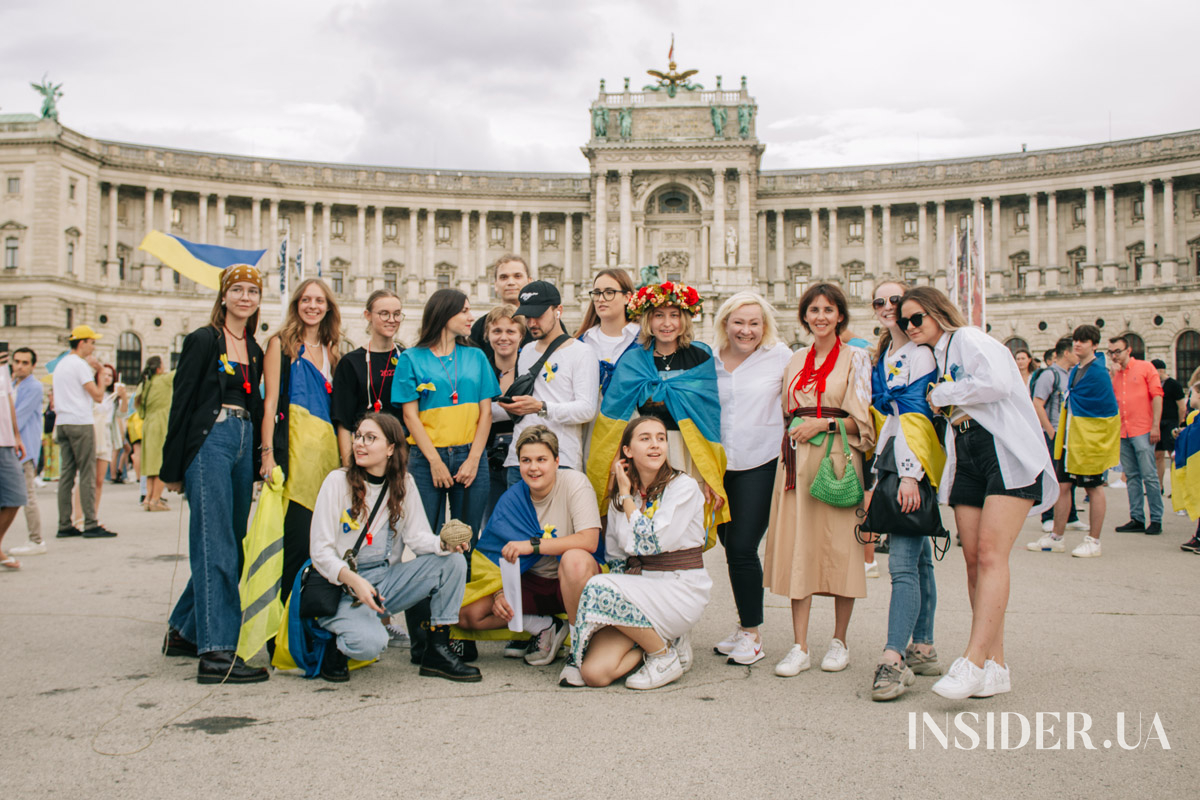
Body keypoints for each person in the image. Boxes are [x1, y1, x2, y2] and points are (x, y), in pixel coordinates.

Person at [900, 286, 1058, 699]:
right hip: (966, 448)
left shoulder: (968, 338)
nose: (911, 326)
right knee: (972, 562)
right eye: (905, 321)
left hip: (1000, 448)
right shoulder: (934, 356)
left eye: (917, 318)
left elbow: (998, 383)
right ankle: (996, 665)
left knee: (990, 555)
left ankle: (971, 660)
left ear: (938, 313)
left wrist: (941, 394)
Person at [309, 413, 480, 683]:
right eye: (358, 436)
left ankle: (437, 650)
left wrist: (444, 543)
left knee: (453, 562)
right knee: (371, 646)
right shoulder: (336, 482)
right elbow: (319, 552)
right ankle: (335, 643)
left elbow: (418, 537)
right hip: (341, 588)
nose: (360, 444)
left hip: (383, 583)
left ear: (391, 448)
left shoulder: (403, 484)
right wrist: (353, 579)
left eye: (370, 438)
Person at [161, 264, 268, 684]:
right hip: (211, 439)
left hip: (242, 440)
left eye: (252, 292)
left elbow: (258, 405)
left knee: (232, 543)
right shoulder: (203, 340)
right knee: (215, 544)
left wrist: (262, 454)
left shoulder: (254, 349)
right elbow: (182, 402)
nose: (245, 297)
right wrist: (172, 468)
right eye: (237, 290)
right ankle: (217, 652)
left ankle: (185, 631)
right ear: (223, 296)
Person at [764, 282, 874, 678]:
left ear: (840, 315)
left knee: (841, 549)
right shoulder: (794, 360)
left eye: (829, 310)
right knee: (801, 548)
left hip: (838, 459)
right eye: (814, 310)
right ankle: (800, 645)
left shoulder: (857, 358)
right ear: (804, 316)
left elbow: (864, 420)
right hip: (797, 462)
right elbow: (785, 411)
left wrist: (821, 423)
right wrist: (800, 430)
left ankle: (839, 640)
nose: (821, 317)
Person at [393, 289, 498, 658]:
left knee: (465, 543)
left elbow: (486, 413)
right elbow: (410, 416)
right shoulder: (411, 358)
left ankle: (457, 633)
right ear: (444, 314)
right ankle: (424, 638)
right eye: (465, 311)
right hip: (426, 460)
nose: (472, 317)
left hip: (470, 456)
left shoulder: (475, 357)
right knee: (424, 544)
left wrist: (473, 458)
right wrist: (435, 460)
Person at [571, 416, 711, 689]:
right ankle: (663, 641)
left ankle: (663, 656)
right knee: (594, 673)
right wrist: (624, 495)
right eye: (645, 438)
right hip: (640, 592)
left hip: (678, 588)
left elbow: (651, 543)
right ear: (628, 451)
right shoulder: (622, 497)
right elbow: (616, 557)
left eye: (660, 438)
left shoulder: (683, 487)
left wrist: (625, 497)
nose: (655, 445)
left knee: (598, 586)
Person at [456, 425, 601, 684]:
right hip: (532, 582)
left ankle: (580, 645)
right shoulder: (514, 498)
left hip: (573, 581)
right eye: (526, 461)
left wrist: (533, 545)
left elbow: (589, 540)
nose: (533, 468)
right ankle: (544, 627)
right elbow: (491, 554)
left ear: (557, 461)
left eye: (541, 460)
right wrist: (499, 591)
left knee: (574, 559)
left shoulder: (575, 483)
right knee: (468, 613)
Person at [585, 280, 729, 532]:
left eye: (674, 315)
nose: (666, 323)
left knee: (681, 525)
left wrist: (708, 473)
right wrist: (615, 461)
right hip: (643, 452)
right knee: (643, 519)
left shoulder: (701, 356)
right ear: (647, 320)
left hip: (686, 450)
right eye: (658, 316)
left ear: (685, 319)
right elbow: (619, 415)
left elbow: (708, 418)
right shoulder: (633, 359)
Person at [864, 280, 946, 701]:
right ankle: (924, 647)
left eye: (896, 301)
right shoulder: (888, 354)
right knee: (919, 562)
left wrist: (910, 473)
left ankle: (894, 657)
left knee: (900, 567)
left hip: (911, 460)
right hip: (894, 457)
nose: (888, 307)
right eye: (880, 301)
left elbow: (917, 412)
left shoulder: (921, 354)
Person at [710, 291, 791, 666]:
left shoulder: (781, 357)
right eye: (739, 322)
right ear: (725, 323)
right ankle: (744, 624)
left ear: (765, 326)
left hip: (762, 461)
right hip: (719, 465)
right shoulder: (709, 360)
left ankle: (753, 634)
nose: (746, 330)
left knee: (742, 547)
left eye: (754, 323)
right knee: (731, 547)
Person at [262, 278, 343, 600]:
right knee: (294, 540)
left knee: (322, 542)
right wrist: (267, 454)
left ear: (328, 307)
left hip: (325, 458)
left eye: (319, 300)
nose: (313, 306)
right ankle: (282, 627)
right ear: (296, 304)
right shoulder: (280, 345)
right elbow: (270, 404)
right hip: (294, 457)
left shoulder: (333, 350)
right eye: (306, 300)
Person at [1027, 325, 1120, 558]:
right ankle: (1056, 537)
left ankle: (1094, 540)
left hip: (1088, 439)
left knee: (1093, 486)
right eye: (1077, 340)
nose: (1078, 344)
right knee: (1063, 485)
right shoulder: (1077, 369)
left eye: (1084, 341)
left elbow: (1106, 409)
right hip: (1071, 438)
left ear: (1094, 345)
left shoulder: (1097, 372)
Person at [499, 280, 599, 481]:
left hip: (561, 460)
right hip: (519, 460)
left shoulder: (582, 352)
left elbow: (587, 409)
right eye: (528, 317)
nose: (532, 323)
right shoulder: (526, 350)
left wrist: (541, 407)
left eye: (538, 315)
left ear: (558, 310)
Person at [52, 325, 116, 539]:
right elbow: (98, 396)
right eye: (92, 342)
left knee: (67, 475)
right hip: (80, 422)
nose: (94, 346)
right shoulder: (79, 365)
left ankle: (64, 523)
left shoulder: (61, 364)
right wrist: (99, 371)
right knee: (87, 473)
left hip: (62, 422)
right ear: (82, 343)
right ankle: (90, 523)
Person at [331, 289, 406, 467]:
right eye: (384, 314)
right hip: (365, 452)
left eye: (397, 314)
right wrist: (349, 467)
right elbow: (344, 421)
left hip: (401, 451)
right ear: (368, 315)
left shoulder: (407, 359)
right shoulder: (350, 363)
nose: (392, 320)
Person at [1108, 336, 1165, 535]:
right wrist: (1111, 375)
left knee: (1149, 476)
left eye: (1118, 351)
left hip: (1143, 429)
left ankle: (1156, 519)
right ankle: (1137, 518)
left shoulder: (1146, 368)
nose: (1114, 356)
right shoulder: (1114, 374)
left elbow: (1157, 396)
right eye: (1111, 352)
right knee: (1131, 476)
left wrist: (1155, 425)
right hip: (1123, 430)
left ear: (1128, 350)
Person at [1030, 340, 1085, 534]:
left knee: (1067, 478)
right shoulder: (1049, 374)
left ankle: (1070, 516)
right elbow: (1037, 403)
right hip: (1053, 433)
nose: (1078, 355)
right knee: (1052, 477)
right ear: (1066, 353)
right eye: (1074, 351)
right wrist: (1052, 432)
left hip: (1068, 433)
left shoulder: (1070, 375)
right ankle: (1048, 516)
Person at [480, 304, 524, 527]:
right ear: (487, 335)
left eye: (511, 331)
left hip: (522, 458)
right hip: (488, 457)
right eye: (497, 331)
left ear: (521, 335)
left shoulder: (531, 373)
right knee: (492, 524)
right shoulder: (480, 372)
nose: (503, 337)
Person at [575, 268, 639, 395]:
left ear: (627, 297)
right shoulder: (582, 342)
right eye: (597, 293)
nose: (601, 299)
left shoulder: (644, 339)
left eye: (609, 292)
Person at [9, 348, 45, 556]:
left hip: (24, 449)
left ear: (32, 366)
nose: (20, 366)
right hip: (9, 447)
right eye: (17, 361)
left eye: (25, 362)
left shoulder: (34, 387)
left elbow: (18, 418)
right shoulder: (12, 385)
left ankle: (36, 540)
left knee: (27, 495)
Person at [469, 254, 530, 362]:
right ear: (495, 285)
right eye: (504, 277)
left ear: (529, 282)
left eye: (517, 276)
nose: (511, 282)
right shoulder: (480, 327)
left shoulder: (542, 323)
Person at [0, 349, 28, 569]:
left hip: (5, 442)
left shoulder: (3, 369)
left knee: (16, 495)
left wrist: (16, 435)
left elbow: (9, 402)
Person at [135, 356, 173, 511]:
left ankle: (148, 498)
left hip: (148, 424)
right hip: (161, 424)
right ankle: (156, 500)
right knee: (161, 463)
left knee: (150, 464)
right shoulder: (163, 380)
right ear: (158, 368)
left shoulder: (145, 384)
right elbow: (182, 370)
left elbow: (140, 411)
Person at [1152, 358, 1187, 490]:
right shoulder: (1154, 384)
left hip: (1171, 422)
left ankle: (1176, 488)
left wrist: (1178, 424)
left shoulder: (1174, 385)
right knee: (1158, 455)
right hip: (1158, 422)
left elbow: (1181, 407)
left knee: (1173, 455)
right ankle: (1159, 486)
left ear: (1161, 370)